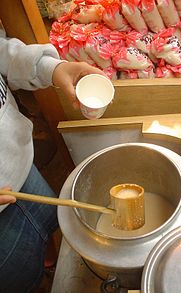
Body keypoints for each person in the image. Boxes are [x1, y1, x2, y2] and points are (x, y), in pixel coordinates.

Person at [0, 22, 105, 293]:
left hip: (18, 158)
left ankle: (48, 262)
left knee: (48, 222)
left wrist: (51, 68)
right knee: (20, 278)